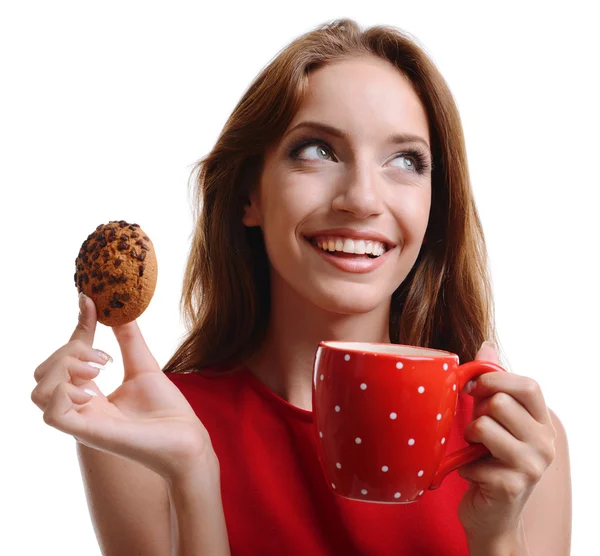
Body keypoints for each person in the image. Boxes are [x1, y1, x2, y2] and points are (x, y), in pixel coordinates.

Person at [31, 18, 571, 556]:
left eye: (405, 160)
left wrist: (498, 535)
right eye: (317, 151)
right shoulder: (140, 432)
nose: (362, 198)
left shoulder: (516, 446)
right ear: (250, 196)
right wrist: (192, 474)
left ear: (435, 205)